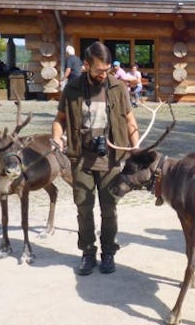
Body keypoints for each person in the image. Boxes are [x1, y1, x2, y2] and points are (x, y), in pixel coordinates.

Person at [51, 41, 140, 276]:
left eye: (107, 69)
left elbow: (131, 122)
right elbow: (59, 120)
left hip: (110, 159)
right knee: (84, 208)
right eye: (99, 70)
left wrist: (136, 147)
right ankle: (88, 253)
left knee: (109, 209)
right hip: (81, 159)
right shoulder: (72, 90)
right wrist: (57, 137)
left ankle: (108, 252)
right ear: (86, 65)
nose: (104, 74)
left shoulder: (118, 88)